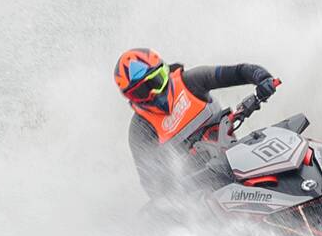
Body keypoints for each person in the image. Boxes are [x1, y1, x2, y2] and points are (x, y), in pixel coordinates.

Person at [113, 48, 278, 199]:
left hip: (237, 159)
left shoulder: (191, 81)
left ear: (165, 71)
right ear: (131, 98)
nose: (153, 94)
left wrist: (263, 79)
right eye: (141, 92)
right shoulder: (141, 129)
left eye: (155, 82)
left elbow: (240, 71)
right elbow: (151, 184)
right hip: (202, 195)